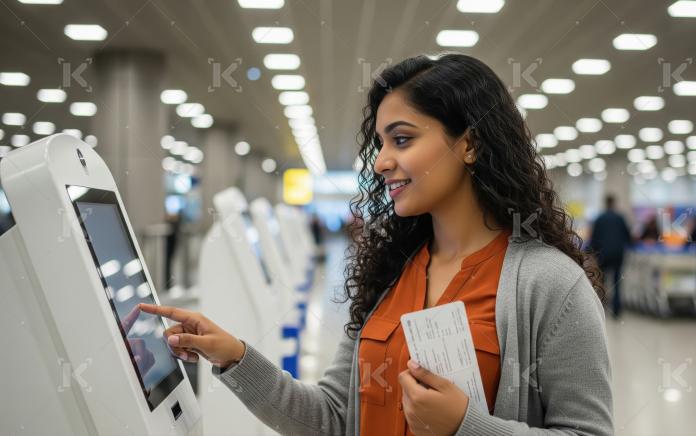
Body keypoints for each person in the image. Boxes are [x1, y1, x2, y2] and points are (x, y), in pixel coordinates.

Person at [140, 54, 613, 436]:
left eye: (402, 139)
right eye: (381, 144)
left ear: (469, 144)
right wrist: (235, 356)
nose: (383, 161)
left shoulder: (549, 284)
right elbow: (330, 417)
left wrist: (464, 427)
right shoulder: (391, 271)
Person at [589, 195, 631, 318]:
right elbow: (628, 237)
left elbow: (594, 238)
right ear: (614, 203)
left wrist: (592, 253)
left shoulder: (599, 219)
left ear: (606, 203)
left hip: (603, 254)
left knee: (602, 282)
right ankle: (617, 310)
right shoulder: (620, 218)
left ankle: (601, 307)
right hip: (618, 254)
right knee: (617, 282)